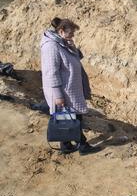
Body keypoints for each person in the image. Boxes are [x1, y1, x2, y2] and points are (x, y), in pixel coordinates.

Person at [40, 17, 100, 155]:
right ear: (61, 31)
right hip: (62, 90)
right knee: (74, 118)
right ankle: (83, 146)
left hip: (71, 88)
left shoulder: (62, 42)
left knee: (66, 117)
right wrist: (58, 95)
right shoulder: (51, 46)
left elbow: (77, 57)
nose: (73, 36)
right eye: (71, 33)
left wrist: (71, 45)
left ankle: (65, 145)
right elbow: (51, 72)